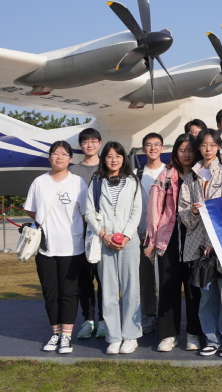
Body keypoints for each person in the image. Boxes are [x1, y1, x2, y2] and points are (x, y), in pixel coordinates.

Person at [178, 128, 222, 357]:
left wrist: (216, 240)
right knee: (206, 296)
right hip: (198, 245)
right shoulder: (191, 177)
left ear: (218, 147)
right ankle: (211, 338)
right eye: (203, 145)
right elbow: (183, 212)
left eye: (212, 145)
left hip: (221, 244)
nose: (208, 149)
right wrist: (194, 212)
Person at [24, 140, 88, 355]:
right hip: (46, 247)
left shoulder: (78, 182)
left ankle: (66, 336)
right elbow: (31, 210)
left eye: (64, 154)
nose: (59, 157)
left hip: (72, 247)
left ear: (70, 159)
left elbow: (84, 213)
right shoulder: (39, 182)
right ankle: (55, 333)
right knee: (50, 293)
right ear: (49, 157)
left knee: (68, 293)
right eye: (55, 153)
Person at [144, 133, 204, 352]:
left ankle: (194, 333)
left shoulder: (201, 174)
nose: (186, 154)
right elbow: (154, 208)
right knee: (168, 286)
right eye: (182, 150)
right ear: (175, 152)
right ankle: (168, 334)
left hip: (195, 236)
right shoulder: (166, 175)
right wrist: (152, 239)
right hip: (168, 237)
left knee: (193, 287)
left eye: (190, 150)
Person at [84, 141, 143, 355]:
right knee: (108, 291)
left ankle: (131, 335)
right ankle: (114, 337)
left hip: (129, 242)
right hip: (105, 242)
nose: (114, 160)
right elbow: (89, 212)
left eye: (118, 156)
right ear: (104, 159)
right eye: (109, 156)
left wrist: (126, 236)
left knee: (130, 290)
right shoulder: (96, 182)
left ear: (123, 158)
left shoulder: (132, 181)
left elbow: (136, 211)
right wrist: (104, 235)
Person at [68, 128, 105, 341]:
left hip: (103, 234)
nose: (89, 145)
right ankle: (88, 319)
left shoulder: (108, 166)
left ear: (99, 143)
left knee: (105, 280)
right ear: (80, 145)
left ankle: (104, 320)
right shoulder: (73, 170)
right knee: (84, 280)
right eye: (85, 141)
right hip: (80, 234)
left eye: (93, 141)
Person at [136, 133, 166, 335]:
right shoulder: (136, 174)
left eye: (157, 144)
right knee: (145, 278)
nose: (153, 148)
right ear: (143, 149)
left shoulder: (169, 172)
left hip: (165, 236)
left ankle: (165, 316)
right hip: (142, 234)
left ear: (162, 148)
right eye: (149, 145)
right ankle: (148, 314)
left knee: (165, 278)